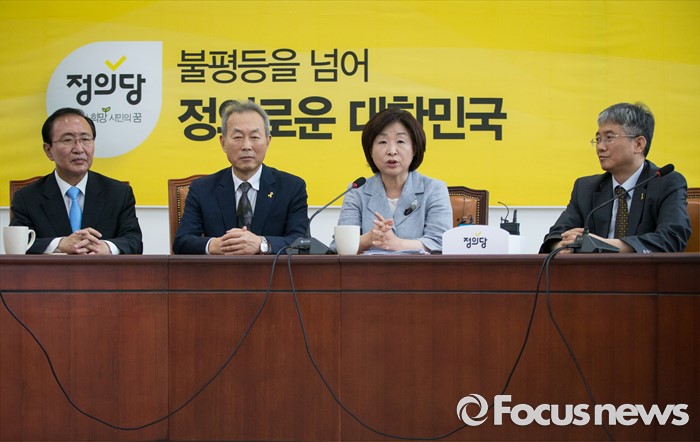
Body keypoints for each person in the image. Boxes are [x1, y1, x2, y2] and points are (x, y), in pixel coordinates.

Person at [540, 102, 691, 254]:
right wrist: (563, 246)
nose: (600, 147)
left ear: (638, 144)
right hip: (593, 269)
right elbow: (555, 237)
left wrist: (602, 244)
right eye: (598, 139)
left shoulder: (666, 182)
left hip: (645, 268)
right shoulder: (585, 188)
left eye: (609, 138)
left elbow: (671, 239)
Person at [173, 100, 309, 255]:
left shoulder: (291, 187)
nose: (246, 146)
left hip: (272, 271)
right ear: (223, 143)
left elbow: (302, 243)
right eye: (238, 137)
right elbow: (182, 242)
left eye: (254, 137)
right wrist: (214, 245)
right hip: (219, 270)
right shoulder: (201, 189)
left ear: (268, 141)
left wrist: (262, 244)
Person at [10, 107, 143, 254]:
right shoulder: (26, 197)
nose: (79, 149)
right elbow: (18, 245)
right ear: (48, 150)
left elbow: (134, 241)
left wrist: (106, 247)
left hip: (102, 269)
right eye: (68, 140)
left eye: (85, 139)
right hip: (51, 270)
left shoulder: (118, 193)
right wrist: (59, 244)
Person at [335, 107, 453, 253]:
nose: (391, 151)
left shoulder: (434, 189)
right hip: (369, 268)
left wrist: (397, 244)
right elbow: (339, 245)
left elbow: (440, 242)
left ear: (414, 148)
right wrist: (370, 238)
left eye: (400, 141)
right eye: (382, 142)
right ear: (370, 150)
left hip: (419, 267)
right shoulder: (357, 191)